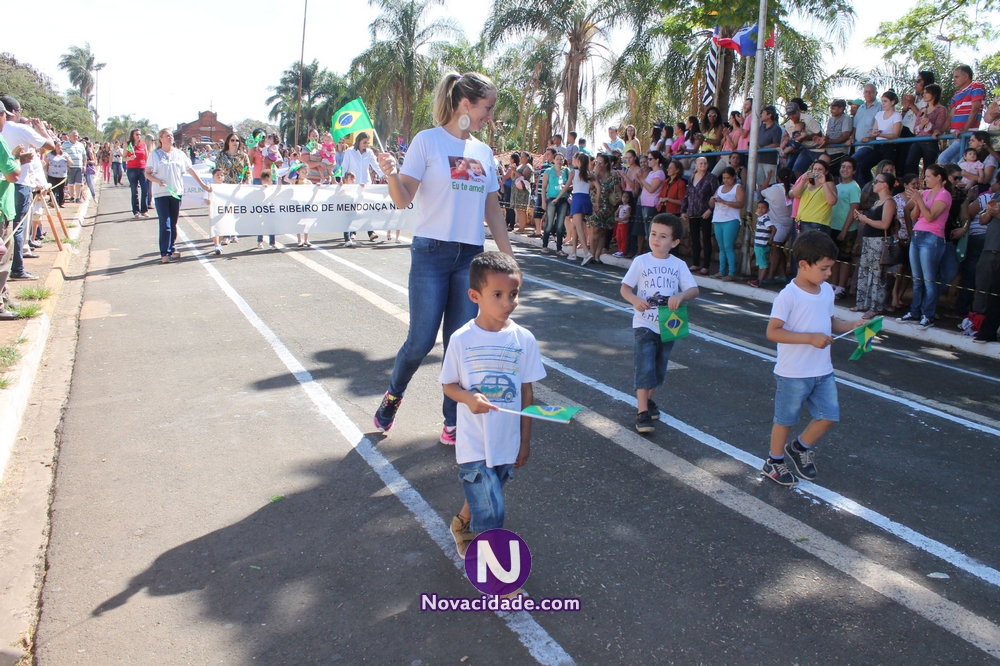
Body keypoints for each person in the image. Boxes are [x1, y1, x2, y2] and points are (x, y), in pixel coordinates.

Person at [372, 71, 513, 444]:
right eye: (487, 108)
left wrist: (509, 259)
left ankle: (452, 422)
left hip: (470, 258)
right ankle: (393, 396)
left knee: (459, 345)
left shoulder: (483, 152)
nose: (490, 116)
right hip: (431, 254)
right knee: (420, 342)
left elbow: (493, 210)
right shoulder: (428, 141)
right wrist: (391, 175)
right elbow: (403, 199)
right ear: (466, 104)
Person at [439, 252, 544, 555]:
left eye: (513, 293)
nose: (508, 302)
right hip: (474, 440)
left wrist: (525, 440)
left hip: (506, 440)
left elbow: (526, 392)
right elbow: (448, 385)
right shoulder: (461, 339)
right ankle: (491, 562)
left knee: (488, 492)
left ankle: (461, 523)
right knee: (491, 508)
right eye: (497, 294)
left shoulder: (524, 339)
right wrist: (467, 398)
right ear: (475, 296)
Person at [762, 231, 865, 486]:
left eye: (830, 268)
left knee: (829, 415)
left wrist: (853, 324)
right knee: (785, 420)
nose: (829, 274)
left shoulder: (826, 291)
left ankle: (799, 447)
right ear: (804, 265)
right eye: (824, 268)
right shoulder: (789, 296)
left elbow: (830, 324)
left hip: (822, 370)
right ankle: (773, 461)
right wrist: (809, 338)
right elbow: (773, 332)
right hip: (793, 372)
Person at [620, 213, 699, 433]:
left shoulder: (678, 265)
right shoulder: (641, 261)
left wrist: (681, 296)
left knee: (659, 368)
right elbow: (625, 288)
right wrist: (635, 300)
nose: (656, 239)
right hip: (644, 323)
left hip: (669, 324)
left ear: (674, 242)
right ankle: (642, 412)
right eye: (653, 234)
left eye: (663, 236)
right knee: (644, 366)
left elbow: (694, 290)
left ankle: (648, 400)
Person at [145, 129, 212, 264]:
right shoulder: (154, 155)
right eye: (167, 136)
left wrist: (202, 185)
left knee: (173, 222)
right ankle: (165, 253)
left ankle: (172, 247)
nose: (170, 137)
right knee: (165, 223)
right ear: (161, 139)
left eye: (171, 135)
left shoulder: (179, 154)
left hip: (176, 192)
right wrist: (157, 181)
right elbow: (147, 173)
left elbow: (190, 170)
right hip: (161, 193)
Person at [898, 164, 952, 328]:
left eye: (928, 176)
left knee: (929, 279)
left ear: (939, 177)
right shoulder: (925, 193)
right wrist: (917, 201)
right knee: (917, 279)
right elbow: (915, 215)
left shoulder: (944, 195)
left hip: (932, 237)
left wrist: (919, 200)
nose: (925, 179)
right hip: (917, 234)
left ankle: (928, 315)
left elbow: (929, 217)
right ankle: (915, 311)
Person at [852, 173, 898, 318]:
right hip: (869, 240)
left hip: (879, 241)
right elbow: (873, 222)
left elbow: (885, 224)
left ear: (885, 185)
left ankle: (875, 306)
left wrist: (866, 220)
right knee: (865, 271)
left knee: (877, 275)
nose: (873, 183)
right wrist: (861, 219)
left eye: (876, 181)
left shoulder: (889, 202)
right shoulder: (878, 202)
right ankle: (862, 303)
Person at [968, 173, 1000, 342]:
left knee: (996, 293)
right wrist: (990, 212)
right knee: (982, 287)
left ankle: (989, 329)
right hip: (989, 249)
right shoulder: (996, 196)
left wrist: (997, 213)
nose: (992, 183)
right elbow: (982, 219)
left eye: (995, 180)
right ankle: (977, 323)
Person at [937, 65, 986, 165]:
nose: (954, 80)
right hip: (954, 135)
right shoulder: (957, 94)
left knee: (943, 159)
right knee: (954, 165)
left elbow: (975, 109)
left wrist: (964, 130)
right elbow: (951, 115)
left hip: (966, 136)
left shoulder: (976, 86)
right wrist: (941, 131)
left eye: (956, 77)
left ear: (966, 76)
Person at [557, 152, 599, 264]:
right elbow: (598, 187)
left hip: (577, 199)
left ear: (579, 161)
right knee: (575, 227)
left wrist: (557, 198)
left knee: (579, 228)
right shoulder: (589, 174)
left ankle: (586, 253)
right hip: (586, 199)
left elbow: (566, 187)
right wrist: (596, 202)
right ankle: (573, 252)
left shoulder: (574, 172)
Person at [829, 158, 862, 297]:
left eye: (849, 167)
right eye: (843, 166)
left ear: (853, 171)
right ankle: (833, 284)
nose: (845, 169)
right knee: (834, 257)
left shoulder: (854, 187)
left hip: (847, 229)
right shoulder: (837, 186)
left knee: (845, 258)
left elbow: (854, 209)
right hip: (833, 226)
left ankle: (841, 287)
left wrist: (844, 230)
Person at [212, 132, 251, 253]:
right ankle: (225, 235)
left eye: (237, 140)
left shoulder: (243, 156)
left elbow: (248, 171)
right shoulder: (221, 155)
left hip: (238, 186)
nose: (235, 142)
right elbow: (216, 170)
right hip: (225, 186)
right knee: (225, 210)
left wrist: (247, 183)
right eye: (232, 140)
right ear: (228, 142)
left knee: (235, 211)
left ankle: (233, 232)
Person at [680, 156, 718, 275]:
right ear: (696, 165)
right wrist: (683, 210)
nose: (703, 165)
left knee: (706, 239)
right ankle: (695, 263)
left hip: (705, 213)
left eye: (705, 163)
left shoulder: (711, 178)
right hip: (693, 212)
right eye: (700, 163)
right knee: (695, 239)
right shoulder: (692, 177)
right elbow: (687, 194)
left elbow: (716, 195)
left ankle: (706, 266)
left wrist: (710, 210)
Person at [707, 166, 745, 280]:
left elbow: (740, 204)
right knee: (721, 247)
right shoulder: (720, 188)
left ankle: (732, 272)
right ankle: (721, 271)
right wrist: (712, 200)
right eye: (724, 178)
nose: (726, 180)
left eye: (728, 178)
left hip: (731, 220)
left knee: (728, 246)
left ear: (733, 177)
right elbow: (711, 204)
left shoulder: (738, 187)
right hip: (718, 219)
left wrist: (724, 202)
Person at [759, 167, 795, 282]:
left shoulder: (774, 189)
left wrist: (769, 176)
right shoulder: (794, 188)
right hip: (790, 224)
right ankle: (783, 275)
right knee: (779, 249)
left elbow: (762, 190)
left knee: (775, 249)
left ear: (778, 178)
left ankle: (770, 277)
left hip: (778, 226)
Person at [905, 83, 947, 175]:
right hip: (918, 140)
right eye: (923, 93)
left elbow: (938, 129)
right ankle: (912, 182)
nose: (924, 95)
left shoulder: (941, 109)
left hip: (930, 142)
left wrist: (928, 124)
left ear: (934, 94)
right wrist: (921, 125)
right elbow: (915, 129)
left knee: (929, 168)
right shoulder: (922, 110)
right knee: (910, 163)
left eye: (927, 93)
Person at [791, 159, 838, 235]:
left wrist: (824, 182)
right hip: (802, 222)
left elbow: (832, 201)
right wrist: (803, 180)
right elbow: (795, 194)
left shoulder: (828, 184)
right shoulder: (808, 184)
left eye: (820, 169)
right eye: (815, 169)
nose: (817, 171)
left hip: (817, 223)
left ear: (826, 172)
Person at [780, 102, 825, 177]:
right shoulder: (788, 124)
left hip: (818, 148)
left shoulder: (808, 119)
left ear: (798, 111)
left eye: (793, 113)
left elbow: (819, 134)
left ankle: (817, 181)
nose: (791, 116)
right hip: (805, 149)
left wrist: (804, 138)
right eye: (789, 114)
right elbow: (795, 140)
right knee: (797, 170)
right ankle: (806, 183)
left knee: (820, 171)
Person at [588, 153, 618, 263]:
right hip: (596, 205)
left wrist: (617, 199)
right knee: (594, 229)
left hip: (608, 206)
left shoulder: (613, 175)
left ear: (606, 164)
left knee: (602, 231)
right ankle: (591, 254)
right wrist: (595, 174)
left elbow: (618, 190)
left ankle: (597, 256)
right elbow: (589, 187)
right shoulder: (593, 174)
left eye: (601, 163)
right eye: (597, 162)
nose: (598, 165)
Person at [540, 151, 569, 255]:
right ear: (554, 160)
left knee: (560, 225)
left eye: (561, 159)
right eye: (557, 159)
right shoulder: (548, 171)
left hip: (563, 199)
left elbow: (571, 184)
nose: (559, 161)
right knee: (549, 223)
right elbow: (543, 187)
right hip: (551, 198)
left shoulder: (567, 171)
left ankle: (559, 248)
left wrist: (566, 187)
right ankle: (544, 245)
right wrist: (543, 201)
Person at [750, 200, 776, 287]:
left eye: (763, 208)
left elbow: (773, 228)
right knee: (760, 264)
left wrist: (770, 239)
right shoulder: (760, 218)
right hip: (758, 245)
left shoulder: (765, 219)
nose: (760, 210)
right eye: (759, 208)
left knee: (763, 264)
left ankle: (760, 281)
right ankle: (758, 279)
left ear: (767, 210)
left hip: (762, 245)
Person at [124, 129, 149, 217]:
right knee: (134, 191)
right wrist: (129, 158)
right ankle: (136, 211)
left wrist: (149, 168)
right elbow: (123, 158)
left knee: (145, 189)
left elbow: (146, 157)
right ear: (133, 135)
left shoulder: (143, 144)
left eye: (140, 134)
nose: (139, 136)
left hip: (142, 169)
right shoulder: (128, 144)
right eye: (137, 134)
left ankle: (144, 210)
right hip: (132, 169)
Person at [756, 105, 784, 185]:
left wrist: (764, 148)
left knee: (770, 182)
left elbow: (776, 144)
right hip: (759, 159)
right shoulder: (761, 127)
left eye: (763, 113)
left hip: (770, 160)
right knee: (760, 182)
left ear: (769, 115)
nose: (761, 115)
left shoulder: (776, 128)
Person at [62, 130, 86, 203]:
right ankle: (72, 197)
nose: (75, 137)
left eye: (76, 136)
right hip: (70, 167)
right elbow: (63, 156)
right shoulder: (65, 144)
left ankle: (78, 197)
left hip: (79, 166)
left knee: (79, 183)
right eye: (74, 135)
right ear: (70, 136)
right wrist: (66, 166)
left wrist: (84, 166)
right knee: (70, 183)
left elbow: (84, 156)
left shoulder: (81, 145)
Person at [613, 190, 633, 259]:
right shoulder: (620, 206)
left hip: (624, 224)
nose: (625, 199)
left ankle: (623, 251)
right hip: (619, 224)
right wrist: (616, 217)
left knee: (623, 238)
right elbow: (616, 212)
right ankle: (619, 250)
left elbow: (628, 215)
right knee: (618, 237)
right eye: (624, 197)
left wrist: (621, 219)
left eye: (627, 197)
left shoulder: (627, 207)